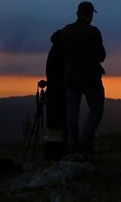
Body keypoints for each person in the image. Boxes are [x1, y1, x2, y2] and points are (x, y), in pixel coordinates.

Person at [60, 1, 106, 154]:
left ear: (77, 13)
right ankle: (85, 143)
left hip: (71, 77)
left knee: (72, 113)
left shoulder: (66, 31)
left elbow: (61, 53)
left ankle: (72, 145)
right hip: (90, 77)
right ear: (90, 14)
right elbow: (101, 56)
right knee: (96, 109)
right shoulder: (93, 32)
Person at [44, 29, 67, 161]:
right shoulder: (60, 52)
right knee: (58, 123)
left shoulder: (53, 51)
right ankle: (57, 153)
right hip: (59, 93)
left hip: (53, 93)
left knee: (52, 125)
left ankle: (51, 152)